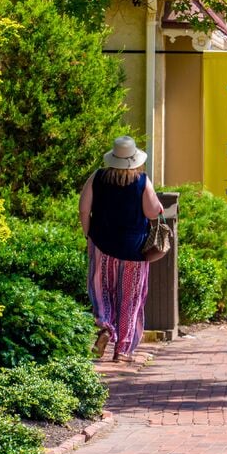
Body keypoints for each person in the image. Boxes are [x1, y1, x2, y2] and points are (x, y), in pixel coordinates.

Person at [79, 136, 165, 363]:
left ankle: (106, 327)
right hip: (134, 250)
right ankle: (123, 349)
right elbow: (152, 212)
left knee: (101, 290)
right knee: (130, 298)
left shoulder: (97, 177)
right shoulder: (142, 180)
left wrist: (89, 235)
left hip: (102, 244)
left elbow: (84, 209)